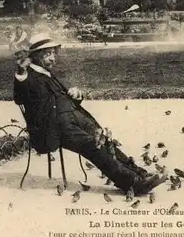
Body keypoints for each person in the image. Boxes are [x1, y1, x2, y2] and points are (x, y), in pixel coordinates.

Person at [13, 33, 168, 195]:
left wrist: (76, 95)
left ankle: (141, 174)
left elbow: (58, 100)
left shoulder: (45, 73)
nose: (53, 58)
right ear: (35, 56)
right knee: (94, 145)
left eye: (53, 53)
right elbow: (19, 97)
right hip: (54, 128)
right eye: (48, 54)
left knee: (104, 138)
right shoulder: (27, 75)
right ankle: (133, 183)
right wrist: (20, 73)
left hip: (72, 118)